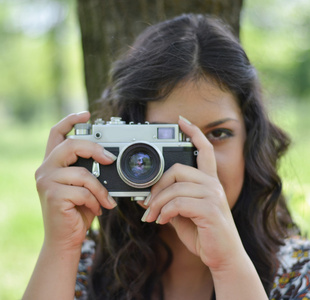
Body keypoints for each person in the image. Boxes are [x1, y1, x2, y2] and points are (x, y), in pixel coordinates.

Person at [22, 14, 310, 300]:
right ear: (124, 149)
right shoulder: (82, 264)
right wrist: (60, 247)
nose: (198, 160)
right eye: (170, 137)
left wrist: (227, 263)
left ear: (251, 141)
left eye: (218, 134)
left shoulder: (299, 273)